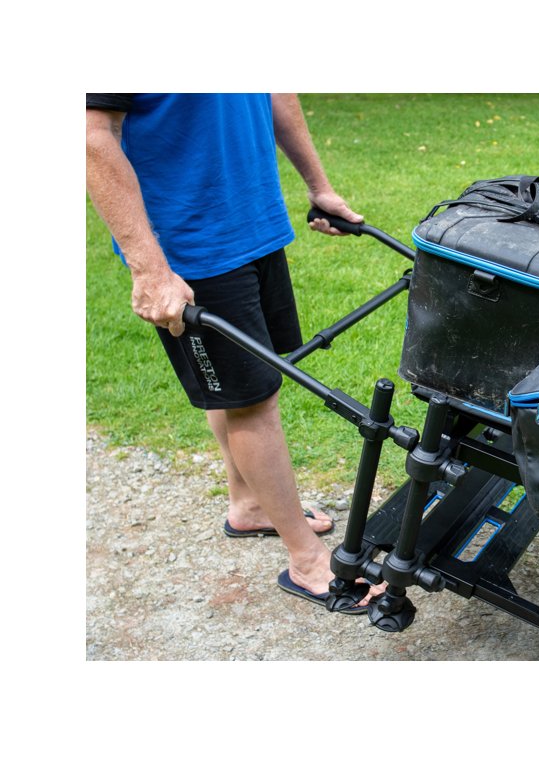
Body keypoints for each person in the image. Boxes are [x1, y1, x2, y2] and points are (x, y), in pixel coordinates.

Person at [85, 93, 384, 610]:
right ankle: (307, 561)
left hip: (254, 220)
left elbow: (274, 91)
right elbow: (92, 133)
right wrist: (149, 269)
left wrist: (319, 186)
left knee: (247, 387)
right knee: (252, 400)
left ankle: (249, 505)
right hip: (192, 243)